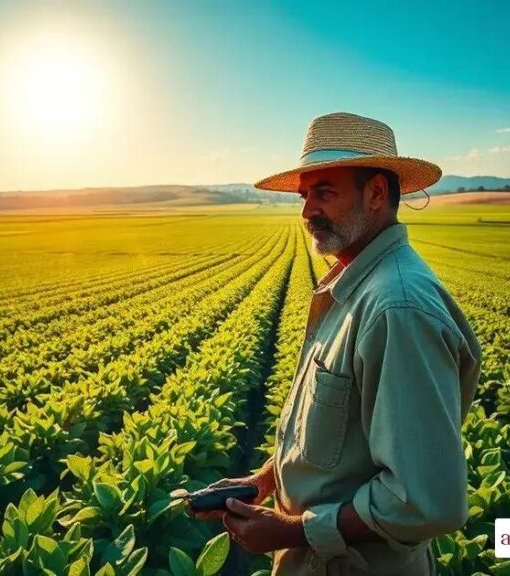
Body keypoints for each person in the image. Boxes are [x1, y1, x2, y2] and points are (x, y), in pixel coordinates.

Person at [191, 112, 482, 575]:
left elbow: (425, 503)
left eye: (324, 191)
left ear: (376, 194)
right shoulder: (355, 285)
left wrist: (292, 530)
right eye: (305, 195)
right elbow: (337, 438)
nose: (307, 211)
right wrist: (264, 481)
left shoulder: (397, 308)